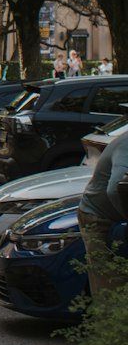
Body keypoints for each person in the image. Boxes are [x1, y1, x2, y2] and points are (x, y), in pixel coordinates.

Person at [77, 123, 128, 296]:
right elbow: (115, 188)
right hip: (98, 218)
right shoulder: (126, 143)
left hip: (114, 215)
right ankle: (108, 322)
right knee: (109, 285)